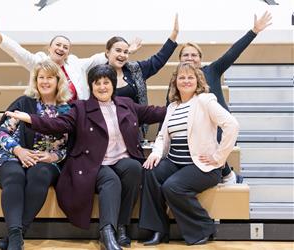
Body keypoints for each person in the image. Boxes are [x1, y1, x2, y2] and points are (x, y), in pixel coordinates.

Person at [5, 64, 167, 250]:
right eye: (97, 83)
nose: (102, 87)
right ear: (91, 86)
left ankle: (122, 227)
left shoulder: (126, 104)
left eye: (106, 82)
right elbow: (57, 123)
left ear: (113, 84)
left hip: (121, 160)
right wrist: (30, 118)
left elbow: (155, 112)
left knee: (134, 168)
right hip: (93, 164)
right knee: (111, 180)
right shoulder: (80, 107)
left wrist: (180, 106)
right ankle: (107, 234)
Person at [139, 63, 239, 246]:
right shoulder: (172, 107)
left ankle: (204, 227)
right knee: (150, 172)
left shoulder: (205, 100)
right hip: (176, 163)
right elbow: (162, 136)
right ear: (175, 82)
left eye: (190, 77)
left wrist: (218, 157)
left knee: (172, 187)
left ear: (197, 81)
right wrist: (156, 153)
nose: (186, 81)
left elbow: (232, 125)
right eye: (181, 78)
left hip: (203, 166)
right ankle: (158, 231)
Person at [168, 11, 272, 184]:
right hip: (194, 129)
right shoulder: (177, 80)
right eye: (185, 55)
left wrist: (253, 31)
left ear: (200, 60)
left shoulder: (212, 70)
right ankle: (223, 174)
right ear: (180, 60)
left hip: (217, 129)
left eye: (194, 55)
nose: (190, 58)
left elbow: (232, 53)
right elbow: (170, 110)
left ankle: (227, 175)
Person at [0, 60, 71, 250]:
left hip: (46, 159)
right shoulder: (24, 102)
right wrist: (18, 150)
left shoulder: (67, 110)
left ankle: (15, 235)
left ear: (58, 81)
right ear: (35, 80)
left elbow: (71, 144)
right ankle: (16, 239)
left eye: (49, 77)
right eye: (41, 77)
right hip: (12, 154)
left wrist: (54, 157)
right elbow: (1, 133)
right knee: (14, 175)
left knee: (40, 175)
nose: (45, 81)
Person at [0, 11, 141, 103]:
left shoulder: (76, 64)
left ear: (68, 52)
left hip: (75, 114)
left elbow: (102, 57)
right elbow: (19, 52)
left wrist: (127, 51)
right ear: (50, 48)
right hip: (48, 114)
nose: (61, 48)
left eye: (65, 47)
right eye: (58, 45)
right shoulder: (40, 62)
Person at [105, 14, 179, 136]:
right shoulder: (98, 74)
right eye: (118, 51)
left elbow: (158, 60)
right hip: (106, 130)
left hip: (134, 130)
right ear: (107, 52)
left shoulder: (135, 69)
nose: (122, 55)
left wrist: (174, 35)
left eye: (126, 52)